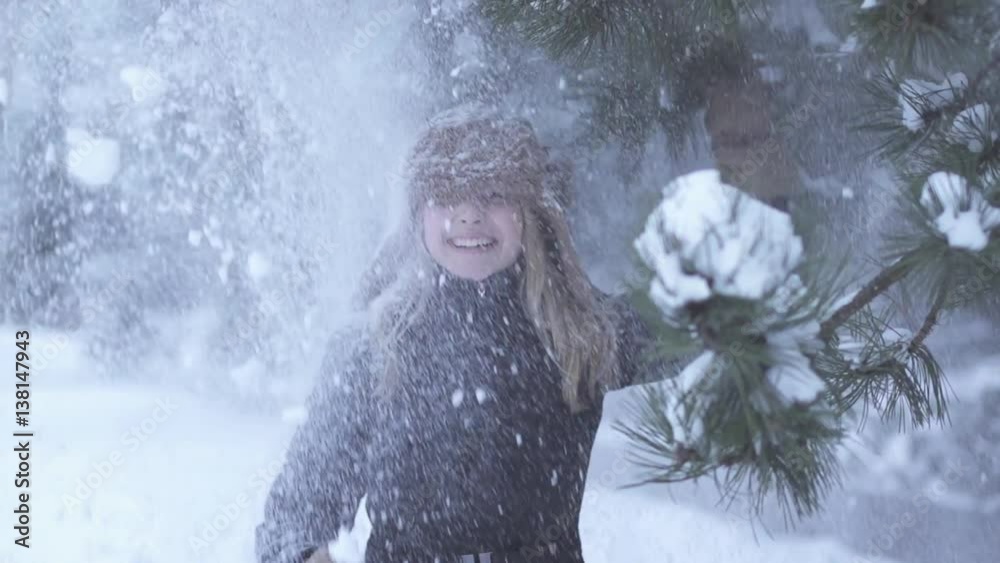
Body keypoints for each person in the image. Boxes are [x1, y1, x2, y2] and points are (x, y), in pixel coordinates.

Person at [255, 103, 666, 563]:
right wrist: (303, 555)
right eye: (447, 195)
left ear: (529, 212)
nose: (469, 215)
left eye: (494, 193)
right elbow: (297, 511)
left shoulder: (579, 333)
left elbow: (713, 335)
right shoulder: (370, 350)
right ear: (419, 215)